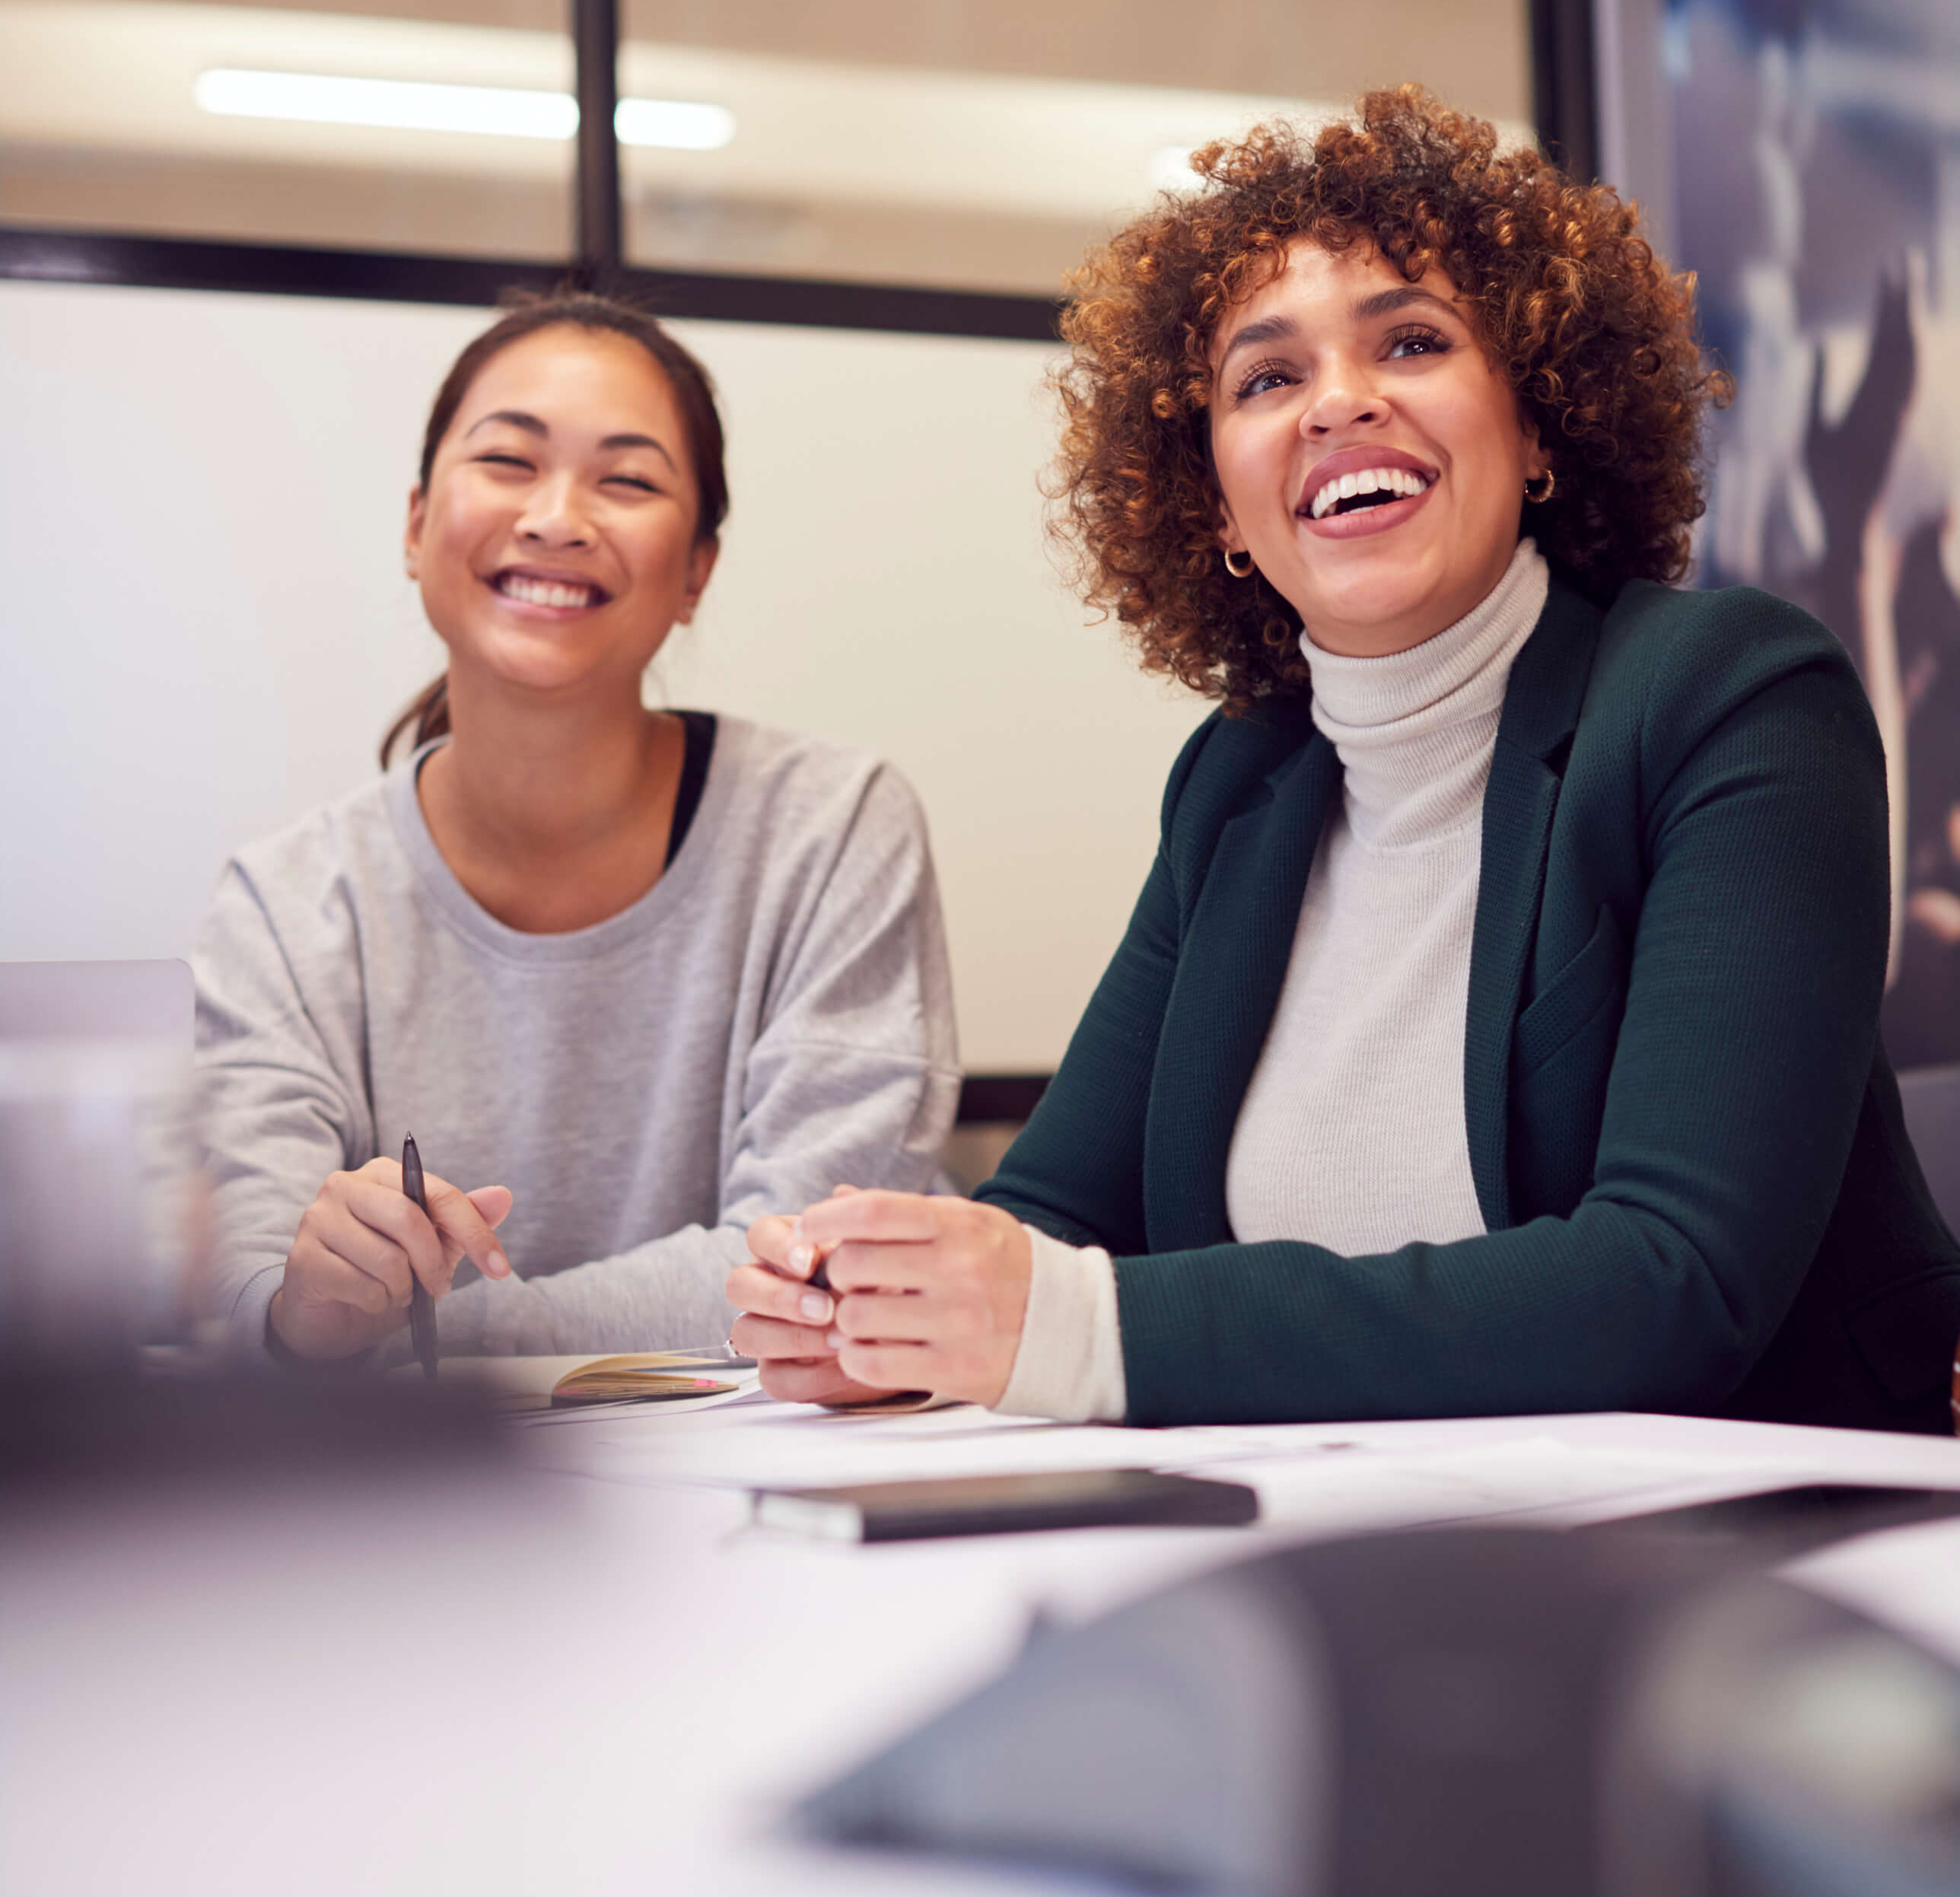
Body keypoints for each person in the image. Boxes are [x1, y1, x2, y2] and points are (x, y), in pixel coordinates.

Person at [730, 85, 1960, 1435]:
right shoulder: (1240, 784)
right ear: (1220, 513)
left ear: (1542, 421)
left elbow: (1674, 1285)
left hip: (1761, 1572)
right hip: (1340, 1545)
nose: (1339, 406)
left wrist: (1077, 1330)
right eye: (1268, 378)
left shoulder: (1731, 697)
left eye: (1413, 342)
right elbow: (1053, 1219)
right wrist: (879, 1302)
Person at [196, 291, 957, 1363]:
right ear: (417, 527)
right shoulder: (284, 904)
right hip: (409, 1508)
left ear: (697, 571)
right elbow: (241, 1300)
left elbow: (811, 1264)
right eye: (509, 461)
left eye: (629, 480)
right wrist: (306, 1309)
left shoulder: (830, 828)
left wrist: (418, 1344)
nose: (557, 516)